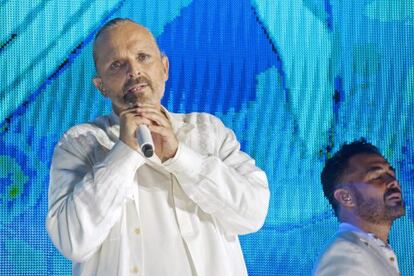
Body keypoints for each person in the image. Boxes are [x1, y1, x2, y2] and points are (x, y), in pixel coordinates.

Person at [46, 18, 269, 276]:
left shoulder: (207, 130)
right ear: (101, 86)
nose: (134, 71)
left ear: (164, 68)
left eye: (143, 57)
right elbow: (72, 241)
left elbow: (253, 214)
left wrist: (180, 157)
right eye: (117, 64)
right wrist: (124, 153)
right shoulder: (80, 142)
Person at [313, 139, 405, 276]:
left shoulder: (370, 252)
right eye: (377, 176)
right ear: (346, 197)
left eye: (391, 174)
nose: (393, 182)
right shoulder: (346, 255)